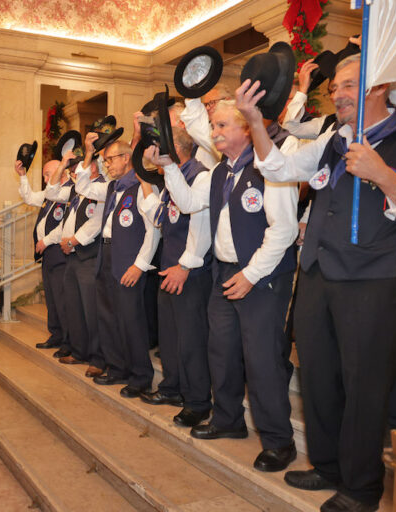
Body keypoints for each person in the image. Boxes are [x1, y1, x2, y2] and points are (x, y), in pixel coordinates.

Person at [238, 54, 396, 511]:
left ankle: (361, 487)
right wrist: (254, 121)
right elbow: (278, 168)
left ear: (378, 87)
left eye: (348, 85)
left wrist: (383, 174)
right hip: (318, 273)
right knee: (317, 376)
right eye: (334, 87)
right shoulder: (334, 138)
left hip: (372, 279)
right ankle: (327, 465)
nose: (337, 94)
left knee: (364, 385)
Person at [151, 99, 298, 473]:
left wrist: (251, 274)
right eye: (213, 126)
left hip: (262, 277)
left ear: (246, 128)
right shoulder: (220, 172)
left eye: (220, 125)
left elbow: (284, 229)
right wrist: (169, 167)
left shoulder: (270, 165)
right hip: (224, 274)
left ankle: (279, 441)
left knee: (261, 359)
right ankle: (228, 419)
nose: (213, 132)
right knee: (222, 352)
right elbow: (188, 204)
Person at [138, 126, 213, 428]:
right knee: (169, 336)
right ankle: (172, 387)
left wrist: (185, 267)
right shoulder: (174, 176)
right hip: (169, 266)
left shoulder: (200, 175)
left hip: (189, 271)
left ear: (174, 149)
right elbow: (161, 218)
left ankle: (197, 402)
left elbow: (201, 226)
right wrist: (145, 183)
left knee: (191, 339)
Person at [75, 137, 160, 398]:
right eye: (105, 161)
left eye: (110, 159)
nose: (107, 165)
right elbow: (83, 186)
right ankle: (117, 367)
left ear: (126, 158)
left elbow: (154, 231)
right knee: (108, 317)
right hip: (107, 254)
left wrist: (140, 266)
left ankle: (140, 376)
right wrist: (88, 154)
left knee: (131, 320)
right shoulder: (113, 187)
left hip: (129, 260)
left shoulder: (143, 186)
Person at [44, 149, 106, 377]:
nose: (72, 173)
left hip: (87, 255)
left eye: (76, 169)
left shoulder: (102, 187)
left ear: (93, 167)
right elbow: (51, 191)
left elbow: (96, 222)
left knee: (91, 309)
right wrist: (61, 164)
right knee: (74, 307)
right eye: (71, 170)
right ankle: (79, 351)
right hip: (70, 255)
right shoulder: (76, 190)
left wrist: (73, 241)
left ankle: (98, 358)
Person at [17, 159, 69, 352]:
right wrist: (23, 176)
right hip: (47, 254)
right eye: (45, 175)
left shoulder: (70, 191)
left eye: (48, 174)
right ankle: (56, 334)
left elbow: (66, 224)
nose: (46, 180)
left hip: (59, 251)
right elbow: (29, 198)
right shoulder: (49, 193)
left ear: (61, 171)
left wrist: (46, 240)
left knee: (62, 299)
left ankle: (68, 340)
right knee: (52, 298)